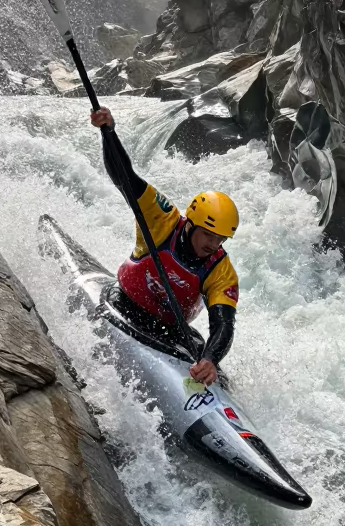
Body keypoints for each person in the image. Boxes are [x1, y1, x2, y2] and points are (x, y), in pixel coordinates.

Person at [90, 106, 239, 387]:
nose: (213, 244)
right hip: (125, 305)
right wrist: (108, 132)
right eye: (208, 234)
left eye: (221, 239)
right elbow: (125, 178)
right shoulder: (162, 219)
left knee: (218, 376)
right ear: (192, 224)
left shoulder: (221, 269)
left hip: (171, 330)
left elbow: (223, 324)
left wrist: (210, 359)